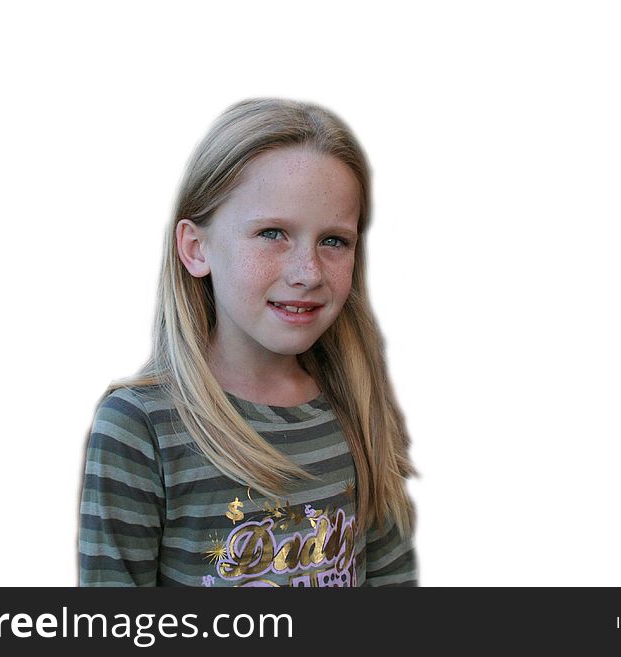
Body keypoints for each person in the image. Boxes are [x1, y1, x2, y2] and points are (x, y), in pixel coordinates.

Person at [78, 98, 419, 587]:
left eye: (334, 241)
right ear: (196, 249)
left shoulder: (358, 404)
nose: (307, 273)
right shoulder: (141, 429)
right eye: (272, 233)